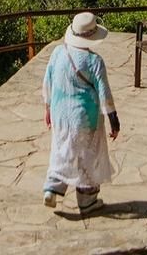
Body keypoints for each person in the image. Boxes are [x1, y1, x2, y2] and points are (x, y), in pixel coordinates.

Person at [42, 12, 120, 213]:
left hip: (60, 113)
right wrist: (114, 120)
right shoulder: (94, 61)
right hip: (85, 117)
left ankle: (51, 189)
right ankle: (87, 201)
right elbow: (104, 93)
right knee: (88, 156)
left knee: (62, 148)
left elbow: (48, 81)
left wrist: (48, 107)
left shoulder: (58, 52)